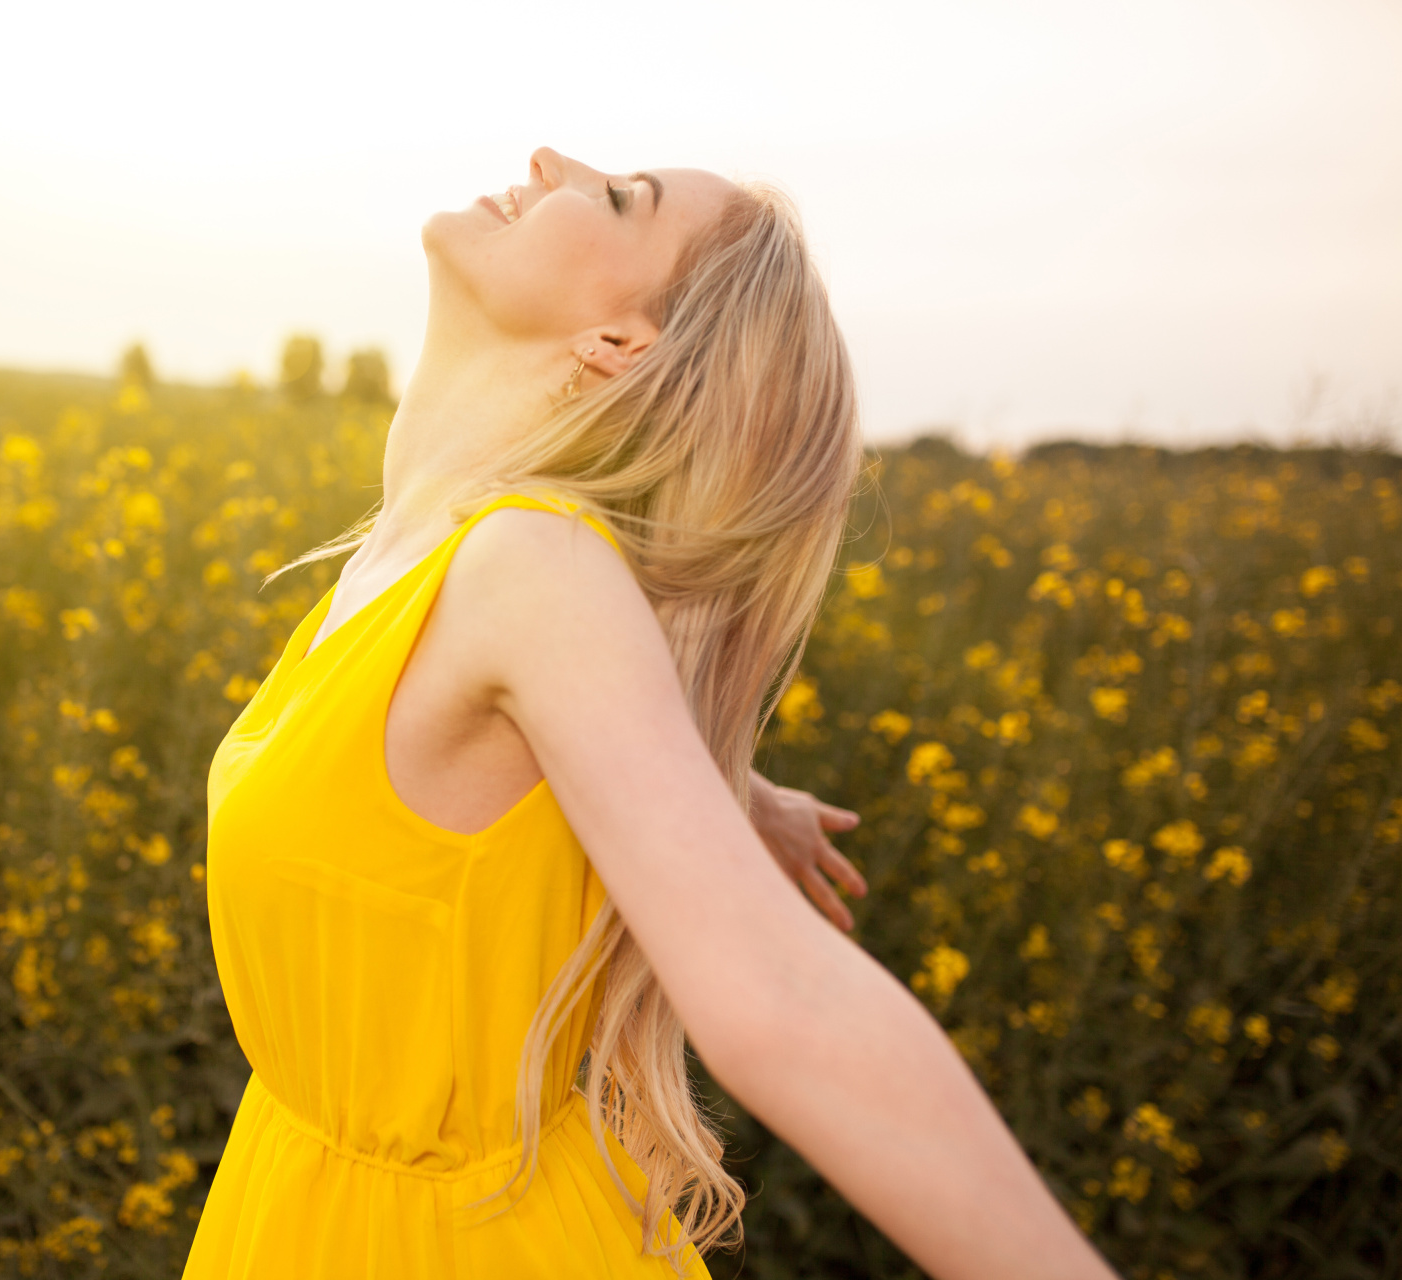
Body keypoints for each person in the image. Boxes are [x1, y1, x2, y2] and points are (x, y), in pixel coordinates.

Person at [183, 148, 1117, 1279]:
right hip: (299, 1212)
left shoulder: (530, 565)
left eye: (623, 197)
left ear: (619, 345)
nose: (550, 162)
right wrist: (720, 793)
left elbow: (783, 1000)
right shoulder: (427, 543)